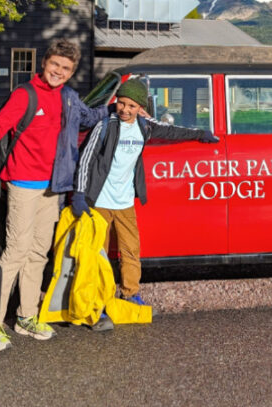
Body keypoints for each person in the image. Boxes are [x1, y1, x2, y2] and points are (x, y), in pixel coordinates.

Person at [0, 39, 107, 351]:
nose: (59, 71)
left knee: (38, 253)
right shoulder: (25, 94)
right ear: (44, 64)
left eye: (66, 68)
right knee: (16, 251)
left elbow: (88, 118)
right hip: (23, 184)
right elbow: (0, 124)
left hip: (53, 187)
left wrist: (114, 109)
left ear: (71, 73)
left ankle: (26, 316)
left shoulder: (69, 97)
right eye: (55, 64)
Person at [71, 78, 218, 306]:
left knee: (131, 250)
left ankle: (130, 294)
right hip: (99, 200)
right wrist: (79, 194)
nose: (125, 110)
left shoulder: (143, 127)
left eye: (131, 106)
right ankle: (96, 298)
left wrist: (199, 134)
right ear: (116, 102)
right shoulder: (104, 126)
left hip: (125, 201)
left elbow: (171, 131)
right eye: (121, 103)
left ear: (140, 108)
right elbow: (86, 160)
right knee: (97, 253)